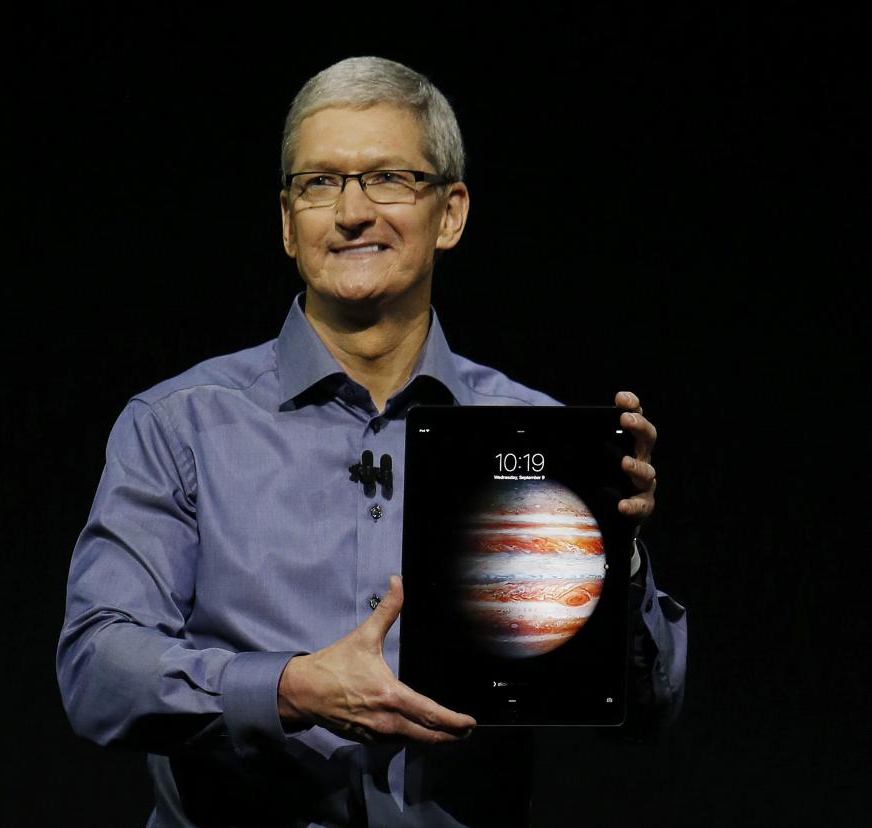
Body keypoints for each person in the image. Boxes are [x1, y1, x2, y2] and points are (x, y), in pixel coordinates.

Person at [57, 56, 686, 827]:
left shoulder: (532, 434)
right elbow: (98, 669)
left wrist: (614, 553)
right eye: (319, 183)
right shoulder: (178, 426)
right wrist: (289, 688)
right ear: (289, 223)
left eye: (389, 178)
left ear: (450, 213)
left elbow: (643, 711)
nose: (352, 211)